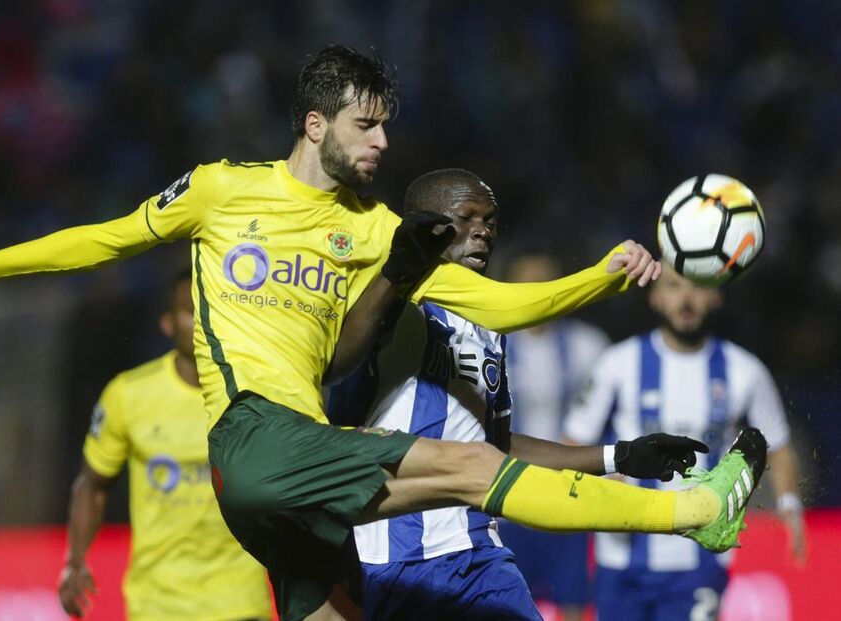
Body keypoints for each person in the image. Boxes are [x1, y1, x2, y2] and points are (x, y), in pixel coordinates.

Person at [0, 45, 767, 621]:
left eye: (387, 126)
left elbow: (496, 305)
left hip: (283, 475)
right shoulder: (221, 191)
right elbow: (102, 237)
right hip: (255, 434)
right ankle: (698, 510)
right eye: (368, 125)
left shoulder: (372, 227)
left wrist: (598, 275)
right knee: (475, 468)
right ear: (317, 125)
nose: (383, 141)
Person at [327, 169, 707, 621]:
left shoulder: (491, 330)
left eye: (490, 221)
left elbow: (496, 446)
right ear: (426, 223)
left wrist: (618, 457)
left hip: (479, 551)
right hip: (394, 557)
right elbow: (337, 371)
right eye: (466, 218)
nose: (483, 231)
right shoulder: (392, 301)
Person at [563, 266, 807, 621]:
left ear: (716, 298)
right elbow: (573, 442)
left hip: (701, 560)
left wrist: (789, 503)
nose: (686, 299)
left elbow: (779, 444)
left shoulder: (745, 371)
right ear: (655, 297)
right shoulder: (617, 364)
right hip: (620, 556)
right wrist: (600, 477)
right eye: (674, 287)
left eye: (697, 288)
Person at [58, 269, 273, 621]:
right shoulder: (128, 395)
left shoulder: (258, 395)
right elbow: (93, 485)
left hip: (240, 604)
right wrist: (75, 561)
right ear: (168, 324)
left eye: (211, 309)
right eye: (191, 311)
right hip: (157, 606)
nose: (203, 322)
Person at [498, 252, 611, 621]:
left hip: (567, 497)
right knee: (504, 603)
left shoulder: (588, 345)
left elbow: (608, 413)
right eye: (525, 287)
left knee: (574, 603)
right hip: (506, 501)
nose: (535, 295)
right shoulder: (488, 343)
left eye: (543, 286)